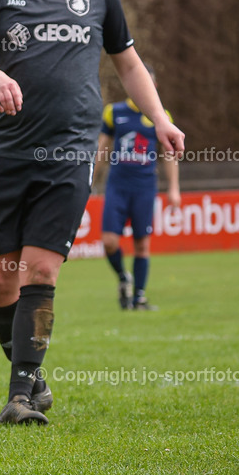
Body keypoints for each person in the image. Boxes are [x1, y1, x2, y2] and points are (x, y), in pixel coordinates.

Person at [0, 0, 185, 425]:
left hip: (69, 152)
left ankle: (18, 397)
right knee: (0, 280)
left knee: (40, 269)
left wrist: (160, 120)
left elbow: (128, 64)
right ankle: (33, 377)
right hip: (6, 153)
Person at [94, 63, 181, 310]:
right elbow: (101, 149)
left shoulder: (161, 117)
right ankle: (124, 277)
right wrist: (89, 180)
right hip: (117, 186)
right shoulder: (114, 112)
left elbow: (170, 154)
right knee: (109, 241)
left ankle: (139, 297)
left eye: (150, 83)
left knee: (142, 244)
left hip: (144, 187)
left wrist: (174, 188)